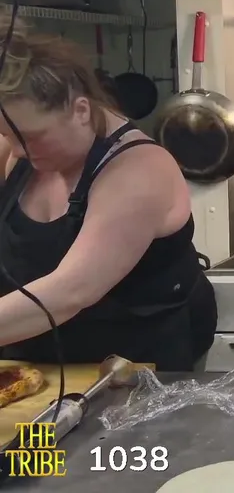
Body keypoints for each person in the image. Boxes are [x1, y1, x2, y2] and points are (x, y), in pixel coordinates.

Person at [0, 24, 216, 371]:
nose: (17, 150)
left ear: (81, 110)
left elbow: (71, 291)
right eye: (7, 134)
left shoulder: (139, 171)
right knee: (32, 419)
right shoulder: (18, 147)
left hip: (135, 367)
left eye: (32, 136)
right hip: (35, 362)